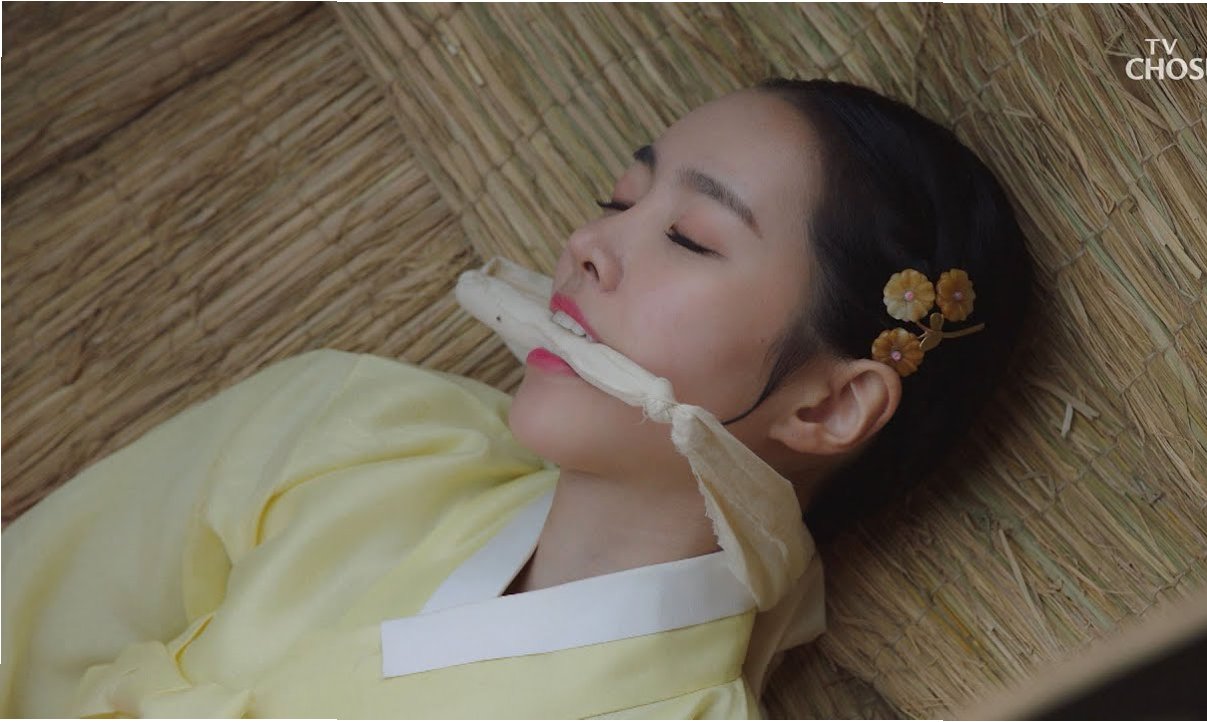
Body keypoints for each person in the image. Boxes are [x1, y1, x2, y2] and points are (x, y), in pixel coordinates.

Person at [0, 78, 1033, 718]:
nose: (587, 244)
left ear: (827, 407)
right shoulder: (354, 425)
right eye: (618, 200)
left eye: (688, 237)